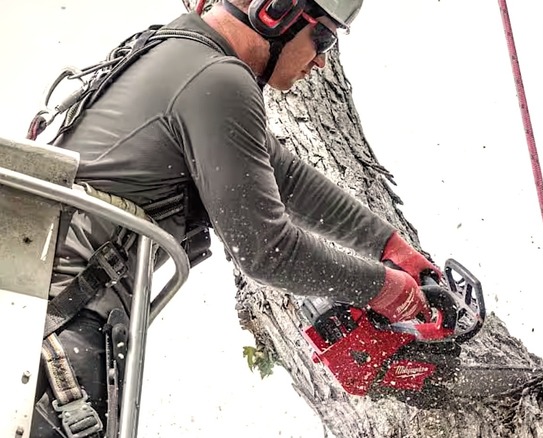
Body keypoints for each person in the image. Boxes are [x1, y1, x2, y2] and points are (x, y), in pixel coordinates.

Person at [30, 1, 442, 436]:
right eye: (322, 38)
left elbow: (286, 177)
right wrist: (383, 288)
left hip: (56, 322)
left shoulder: (183, 55)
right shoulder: (216, 79)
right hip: (59, 330)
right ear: (275, 11)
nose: (321, 60)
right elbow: (267, 251)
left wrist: (390, 247)